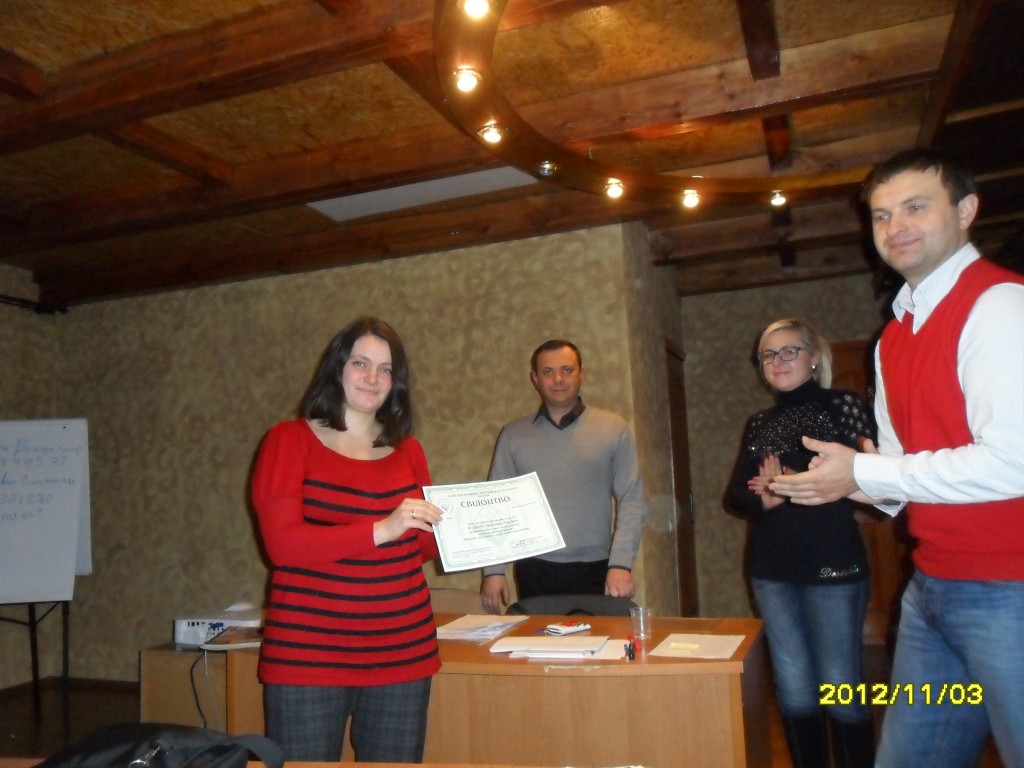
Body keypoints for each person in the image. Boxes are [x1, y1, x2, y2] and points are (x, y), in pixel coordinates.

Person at [770, 148, 1024, 767]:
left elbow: (1012, 461)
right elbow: (903, 473)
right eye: (881, 215)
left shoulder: (1000, 305)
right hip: (931, 588)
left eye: (915, 207)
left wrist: (865, 470)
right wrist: (845, 483)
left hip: (1010, 593)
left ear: (965, 210)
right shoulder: (892, 338)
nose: (895, 227)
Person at [250, 317, 444, 763]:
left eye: (385, 369)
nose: (372, 378)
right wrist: (382, 529)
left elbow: (422, 549)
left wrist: (473, 531)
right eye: (360, 363)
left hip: (403, 651)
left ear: (396, 382)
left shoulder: (409, 450)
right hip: (308, 655)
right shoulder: (288, 440)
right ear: (337, 367)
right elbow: (284, 547)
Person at [725, 318, 876, 768]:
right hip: (772, 569)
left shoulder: (842, 405)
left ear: (813, 357)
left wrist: (800, 483)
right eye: (768, 355)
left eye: (789, 350)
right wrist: (770, 497)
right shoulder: (759, 423)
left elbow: (873, 476)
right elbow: (735, 497)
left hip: (833, 562)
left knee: (841, 688)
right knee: (793, 691)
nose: (778, 361)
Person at [479, 339, 649, 614]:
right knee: (538, 643)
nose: (557, 379)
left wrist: (621, 564)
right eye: (548, 372)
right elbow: (496, 505)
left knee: (601, 642)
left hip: (598, 569)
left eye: (566, 370)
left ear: (582, 373)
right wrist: (494, 571)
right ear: (535, 379)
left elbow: (632, 500)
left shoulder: (613, 429)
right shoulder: (513, 435)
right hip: (535, 570)